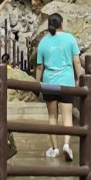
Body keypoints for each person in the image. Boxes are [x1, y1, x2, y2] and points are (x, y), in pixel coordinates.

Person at [34, 10, 81, 162]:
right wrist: (79, 78)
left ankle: (54, 149)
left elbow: (39, 67)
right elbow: (77, 62)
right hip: (66, 81)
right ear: (61, 24)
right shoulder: (70, 39)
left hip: (49, 82)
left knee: (52, 116)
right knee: (67, 116)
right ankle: (66, 144)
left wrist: (37, 84)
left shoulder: (43, 42)